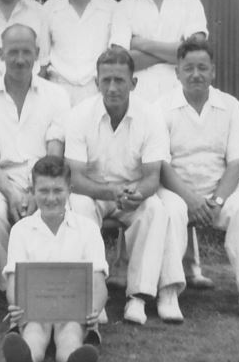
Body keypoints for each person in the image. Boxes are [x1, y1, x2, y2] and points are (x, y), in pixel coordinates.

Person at [109, 0, 211, 288]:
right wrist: (173, 48)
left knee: (179, 175)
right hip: (139, 103)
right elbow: (123, 61)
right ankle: (126, 263)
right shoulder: (123, 7)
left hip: (179, 101)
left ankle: (190, 265)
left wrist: (145, 43)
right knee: (140, 178)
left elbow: (193, 53)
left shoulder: (189, 3)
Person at [65, 47, 188, 325]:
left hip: (133, 191)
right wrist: (110, 192)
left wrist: (138, 194)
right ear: (96, 82)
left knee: (155, 208)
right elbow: (75, 178)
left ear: (133, 83)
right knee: (78, 207)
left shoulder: (150, 115)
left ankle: (138, 298)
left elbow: (152, 176)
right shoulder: (78, 115)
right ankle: (94, 296)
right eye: (105, 80)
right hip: (92, 192)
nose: (112, 88)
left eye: (119, 80)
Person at [159, 38, 239, 322]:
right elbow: (160, 163)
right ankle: (169, 292)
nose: (196, 74)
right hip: (177, 191)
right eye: (189, 68)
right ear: (177, 72)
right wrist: (191, 199)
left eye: (202, 68)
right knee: (168, 212)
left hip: (222, 191)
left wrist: (218, 200)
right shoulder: (161, 107)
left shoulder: (231, 106)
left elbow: (237, 161)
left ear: (213, 71)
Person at [0, 24, 70, 296]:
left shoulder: (57, 95)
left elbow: (55, 148)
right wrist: (11, 192)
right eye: (12, 52)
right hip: (0, 181)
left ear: (37, 53)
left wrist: (38, 190)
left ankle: (55, 288)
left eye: (26, 52)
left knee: (63, 207)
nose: (19, 59)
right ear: (1, 54)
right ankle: (11, 288)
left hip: (45, 176)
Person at [1, 156, 106, 362]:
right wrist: (17, 304)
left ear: (69, 190)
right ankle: (26, 357)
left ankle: (72, 358)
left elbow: (98, 280)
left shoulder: (88, 229)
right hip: (34, 308)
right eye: (43, 191)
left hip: (73, 308)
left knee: (70, 333)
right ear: (32, 191)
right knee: (34, 332)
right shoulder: (21, 230)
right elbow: (14, 279)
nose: (51, 198)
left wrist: (95, 308)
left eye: (57, 191)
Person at [43, 0, 117, 105]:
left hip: (97, 90)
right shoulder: (49, 8)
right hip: (57, 89)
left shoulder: (110, 8)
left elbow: (116, 54)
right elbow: (42, 57)